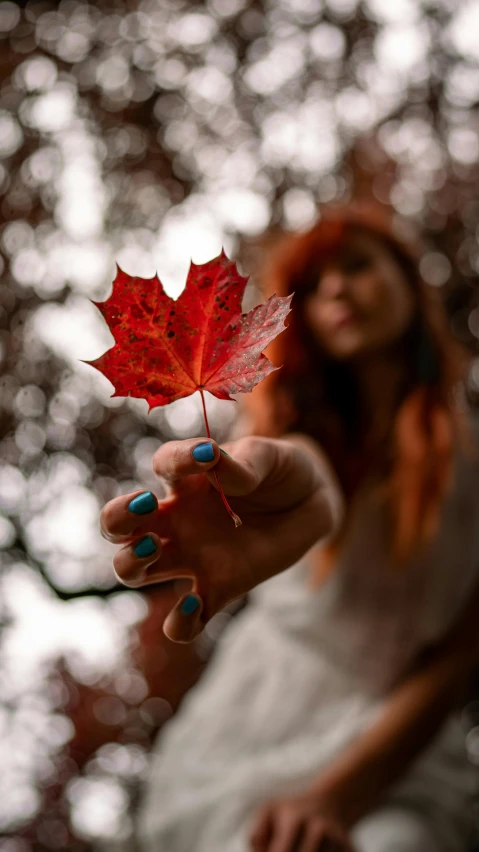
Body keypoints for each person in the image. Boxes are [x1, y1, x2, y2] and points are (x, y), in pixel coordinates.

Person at [100, 205, 479, 852]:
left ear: (408, 289)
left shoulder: (468, 467)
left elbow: (460, 655)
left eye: (357, 265)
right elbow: (303, 479)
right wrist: (266, 472)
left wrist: (338, 792)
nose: (335, 288)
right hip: (257, 726)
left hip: (401, 752)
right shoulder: (291, 441)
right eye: (317, 281)